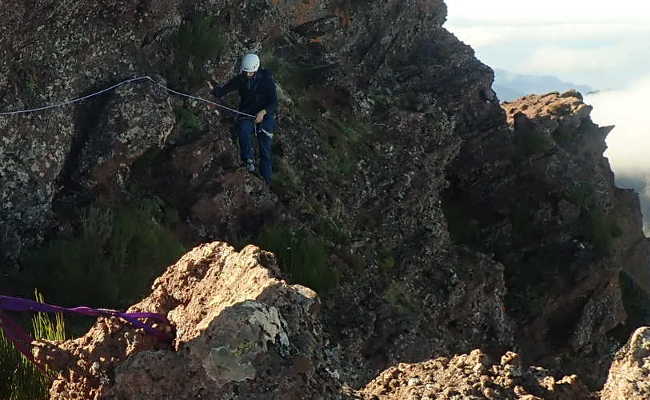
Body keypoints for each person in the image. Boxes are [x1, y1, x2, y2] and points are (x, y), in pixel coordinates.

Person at [207, 53, 278, 184]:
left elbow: (274, 102)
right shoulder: (241, 79)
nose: (247, 75)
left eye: (250, 73)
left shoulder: (267, 81)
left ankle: (266, 181)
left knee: (265, 150)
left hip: (265, 117)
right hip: (247, 113)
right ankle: (248, 162)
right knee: (243, 130)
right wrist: (214, 90)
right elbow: (224, 90)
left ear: (256, 69)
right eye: (245, 72)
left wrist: (263, 112)